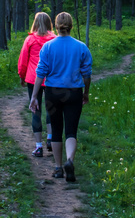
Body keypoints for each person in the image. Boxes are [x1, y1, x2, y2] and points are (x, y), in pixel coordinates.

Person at [29, 12, 92, 182]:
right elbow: (86, 74)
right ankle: (69, 161)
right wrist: (86, 92)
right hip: (74, 92)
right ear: (71, 26)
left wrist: (34, 96)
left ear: (55, 26)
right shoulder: (81, 47)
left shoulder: (48, 47)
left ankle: (58, 168)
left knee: (56, 130)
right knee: (71, 130)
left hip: (53, 92)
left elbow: (40, 73)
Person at [17, 12, 55, 157]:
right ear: (49, 23)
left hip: (33, 79)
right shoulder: (54, 39)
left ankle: (38, 147)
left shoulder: (30, 40)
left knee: (36, 110)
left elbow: (23, 61)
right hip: (51, 79)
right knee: (51, 108)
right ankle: (50, 139)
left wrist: (22, 76)